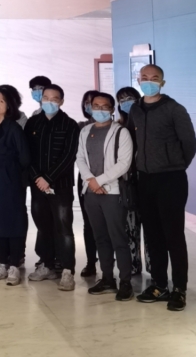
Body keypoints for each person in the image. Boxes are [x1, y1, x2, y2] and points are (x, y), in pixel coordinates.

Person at [130, 65, 195, 311]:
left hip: (171, 179)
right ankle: (159, 284)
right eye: (144, 78)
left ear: (162, 83)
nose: (149, 82)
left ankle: (179, 288)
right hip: (145, 179)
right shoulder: (136, 109)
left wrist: (175, 164)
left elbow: (189, 143)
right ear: (138, 80)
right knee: (153, 235)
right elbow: (133, 141)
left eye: (154, 78)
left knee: (173, 235)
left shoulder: (174, 109)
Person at [75, 93, 135, 301]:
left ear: (112, 109)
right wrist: (91, 180)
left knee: (118, 238)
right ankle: (108, 278)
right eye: (96, 105)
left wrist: (99, 181)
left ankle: (125, 282)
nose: (100, 109)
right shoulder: (85, 131)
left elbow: (124, 163)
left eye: (104, 106)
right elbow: (80, 158)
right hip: (91, 193)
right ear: (90, 107)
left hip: (112, 192)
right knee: (100, 237)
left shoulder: (121, 132)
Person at [24, 84, 80, 291]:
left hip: (61, 187)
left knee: (64, 228)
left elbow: (69, 155)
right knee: (43, 227)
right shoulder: (32, 123)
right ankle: (46, 265)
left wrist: (48, 178)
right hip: (37, 187)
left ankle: (67, 270)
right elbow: (26, 154)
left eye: (54, 98)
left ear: (61, 101)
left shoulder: (70, 124)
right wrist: (37, 178)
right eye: (46, 97)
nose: (49, 101)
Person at [0, 87, 30, 286]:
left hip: (10, 182)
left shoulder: (14, 128)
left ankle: (14, 265)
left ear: (9, 105)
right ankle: (2, 263)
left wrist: (11, 173)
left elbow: (24, 158)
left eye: (1, 101)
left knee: (13, 223)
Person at [115, 86, 147, 275]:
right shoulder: (118, 127)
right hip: (127, 185)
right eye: (121, 100)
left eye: (129, 98)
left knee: (151, 228)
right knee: (130, 228)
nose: (126, 102)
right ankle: (133, 265)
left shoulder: (146, 123)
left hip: (148, 182)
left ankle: (154, 266)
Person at [77, 90, 101, 278]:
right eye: (87, 102)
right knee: (89, 223)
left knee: (109, 223)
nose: (90, 105)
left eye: (93, 102)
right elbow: (77, 156)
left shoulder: (115, 127)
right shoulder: (80, 127)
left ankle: (109, 261)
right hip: (85, 179)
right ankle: (91, 262)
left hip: (109, 179)